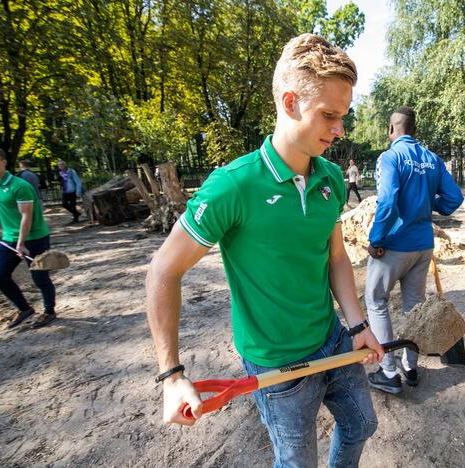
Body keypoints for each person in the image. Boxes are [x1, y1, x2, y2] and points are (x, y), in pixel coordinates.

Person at [145, 33, 383, 467]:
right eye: (329, 115)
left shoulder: (330, 177)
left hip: (334, 340)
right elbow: (163, 270)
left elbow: (334, 257)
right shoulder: (233, 186)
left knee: (363, 426)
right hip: (277, 366)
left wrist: (357, 324)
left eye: (343, 116)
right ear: (290, 103)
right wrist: (171, 376)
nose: (340, 130)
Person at [365, 107, 463, 395]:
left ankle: (388, 372)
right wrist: (427, 204)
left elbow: (387, 199)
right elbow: (453, 198)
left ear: (390, 130)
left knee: (376, 301)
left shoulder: (390, 157)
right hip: (423, 245)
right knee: (414, 307)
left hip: (393, 244)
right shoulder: (433, 159)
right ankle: (411, 368)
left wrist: (376, 238)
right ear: (414, 130)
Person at [0, 147, 57, 328]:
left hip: (34, 238)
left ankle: (49, 311)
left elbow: (26, 216)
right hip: (9, 238)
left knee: (39, 278)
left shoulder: (19, 186)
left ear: (3, 162)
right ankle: (24, 308)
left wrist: (21, 243)